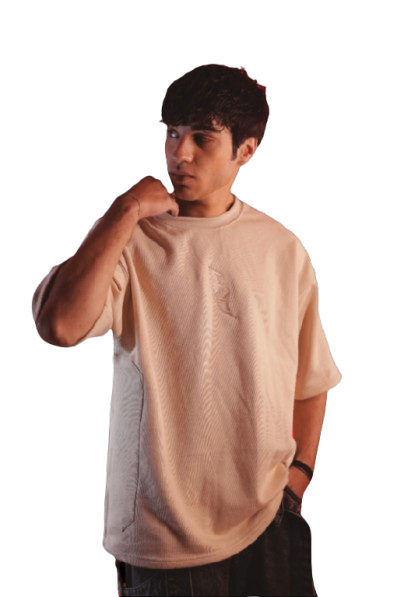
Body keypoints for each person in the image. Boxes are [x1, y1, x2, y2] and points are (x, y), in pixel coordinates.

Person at [31, 64, 341, 596]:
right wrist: (124, 209)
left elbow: (312, 378)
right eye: (173, 133)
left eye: (203, 137)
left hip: (268, 517)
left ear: (245, 150)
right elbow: (59, 326)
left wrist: (300, 477)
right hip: (164, 535)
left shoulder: (282, 248)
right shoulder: (128, 237)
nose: (181, 153)